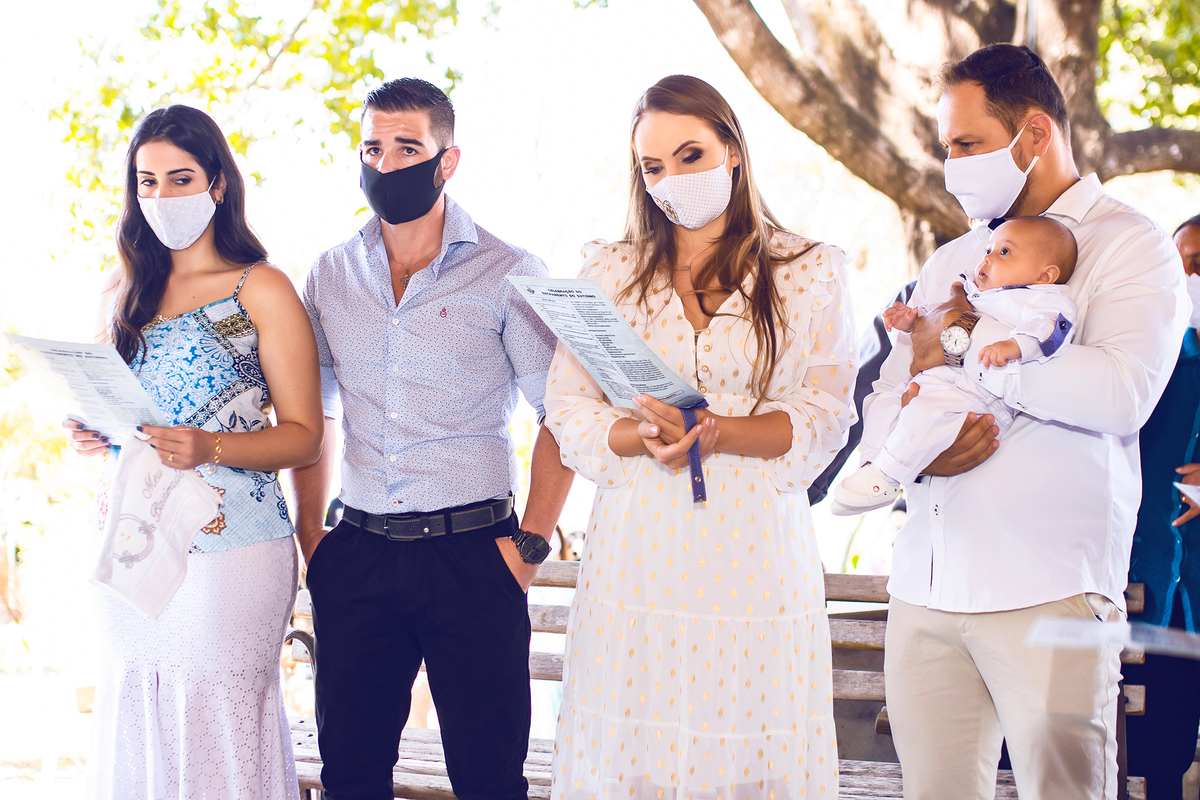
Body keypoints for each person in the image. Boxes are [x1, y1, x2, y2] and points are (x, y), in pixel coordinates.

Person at [861, 44, 1189, 800]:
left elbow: (1121, 394)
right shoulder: (952, 259)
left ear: (1034, 134)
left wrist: (962, 341)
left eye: (966, 144)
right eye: (947, 148)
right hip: (925, 589)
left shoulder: (1132, 246)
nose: (952, 165)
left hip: (1051, 591)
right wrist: (918, 451)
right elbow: (885, 396)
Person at [545, 74, 856, 800]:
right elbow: (567, 407)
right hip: (638, 547)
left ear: (733, 150)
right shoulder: (611, 271)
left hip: (754, 546)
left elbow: (826, 411)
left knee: (749, 747)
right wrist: (638, 435)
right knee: (636, 749)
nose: (672, 181)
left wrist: (719, 432)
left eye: (690, 156)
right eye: (653, 167)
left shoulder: (808, 269)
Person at [292, 77, 575, 800]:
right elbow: (316, 412)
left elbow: (562, 415)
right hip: (358, 555)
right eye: (372, 149)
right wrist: (312, 539)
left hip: (474, 558)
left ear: (448, 160)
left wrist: (528, 547)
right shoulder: (330, 274)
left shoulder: (510, 272)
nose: (385, 165)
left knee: (488, 782)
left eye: (407, 148)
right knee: (350, 778)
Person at [62, 104, 324, 799]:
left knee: (218, 722)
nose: (161, 197)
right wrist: (90, 431)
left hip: (230, 549)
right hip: (127, 540)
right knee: (135, 712)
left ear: (218, 183)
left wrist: (211, 445)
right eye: (146, 182)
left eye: (180, 179)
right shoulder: (121, 289)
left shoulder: (260, 288)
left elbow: (305, 435)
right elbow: (117, 409)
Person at [834, 217, 1077, 513]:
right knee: (883, 403)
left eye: (1004, 252)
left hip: (979, 395)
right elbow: (938, 319)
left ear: (1045, 275)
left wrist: (1016, 345)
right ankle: (872, 467)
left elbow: (1050, 331)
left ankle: (885, 477)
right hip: (939, 381)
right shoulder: (976, 289)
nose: (988, 258)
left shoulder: (1043, 301)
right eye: (989, 249)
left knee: (925, 413)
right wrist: (912, 320)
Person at [1122, 213, 1200, 798]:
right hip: (1152, 577)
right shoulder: (1151, 352)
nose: (1191, 276)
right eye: (1183, 263)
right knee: (1154, 748)